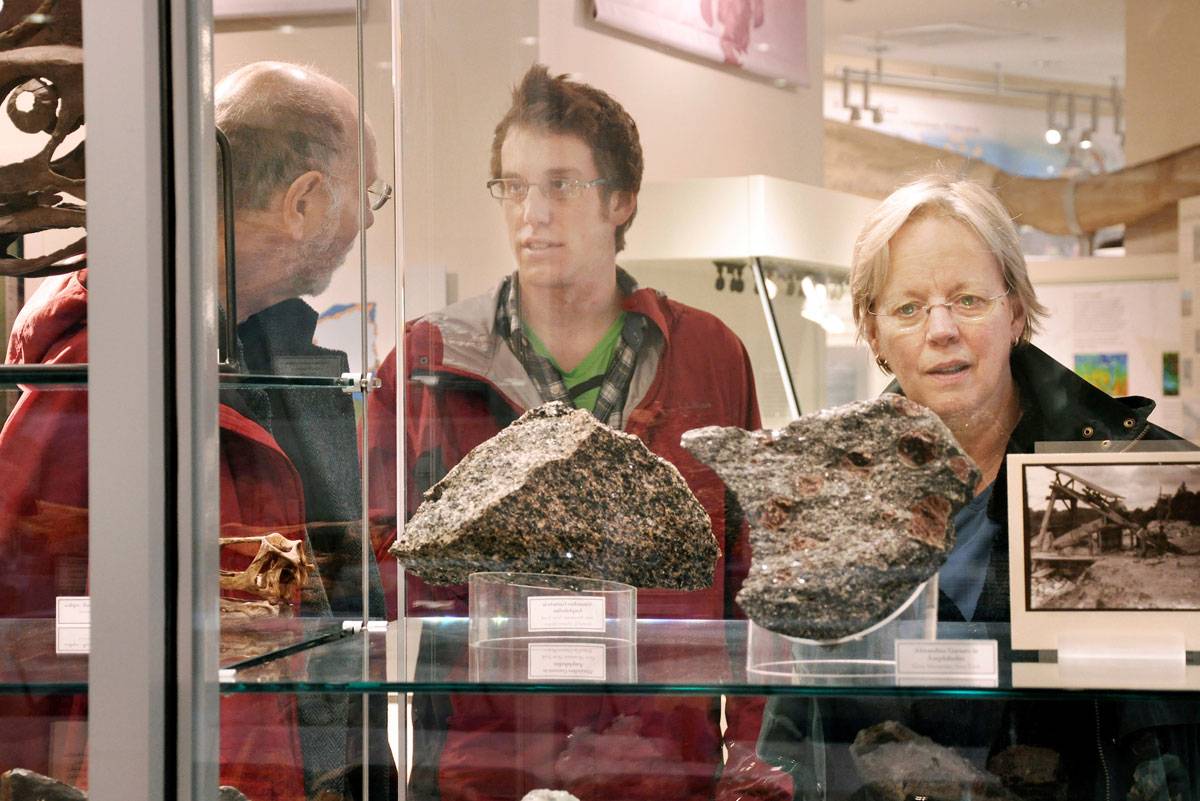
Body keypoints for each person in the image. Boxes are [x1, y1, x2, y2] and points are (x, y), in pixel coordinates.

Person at [366, 65, 790, 800]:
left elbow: (755, 583)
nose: (532, 212)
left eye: (562, 185)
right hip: (486, 774)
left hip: (663, 775)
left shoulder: (710, 357)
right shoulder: (425, 362)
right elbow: (377, 592)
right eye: (514, 186)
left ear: (622, 201)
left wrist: (753, 765)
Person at [0, 61, 388, 800]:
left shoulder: (250, 348)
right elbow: (26, 629)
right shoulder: (106, 366)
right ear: (304, 201)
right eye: (364, 194)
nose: (369, 220)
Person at [758, 175, 1196, 799]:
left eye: (968, 300)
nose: (941, 330)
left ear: (1016, 310)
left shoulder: (1140, 468)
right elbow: (797, 730)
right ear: (873, 331)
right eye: (909, 308)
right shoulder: (826, 497)